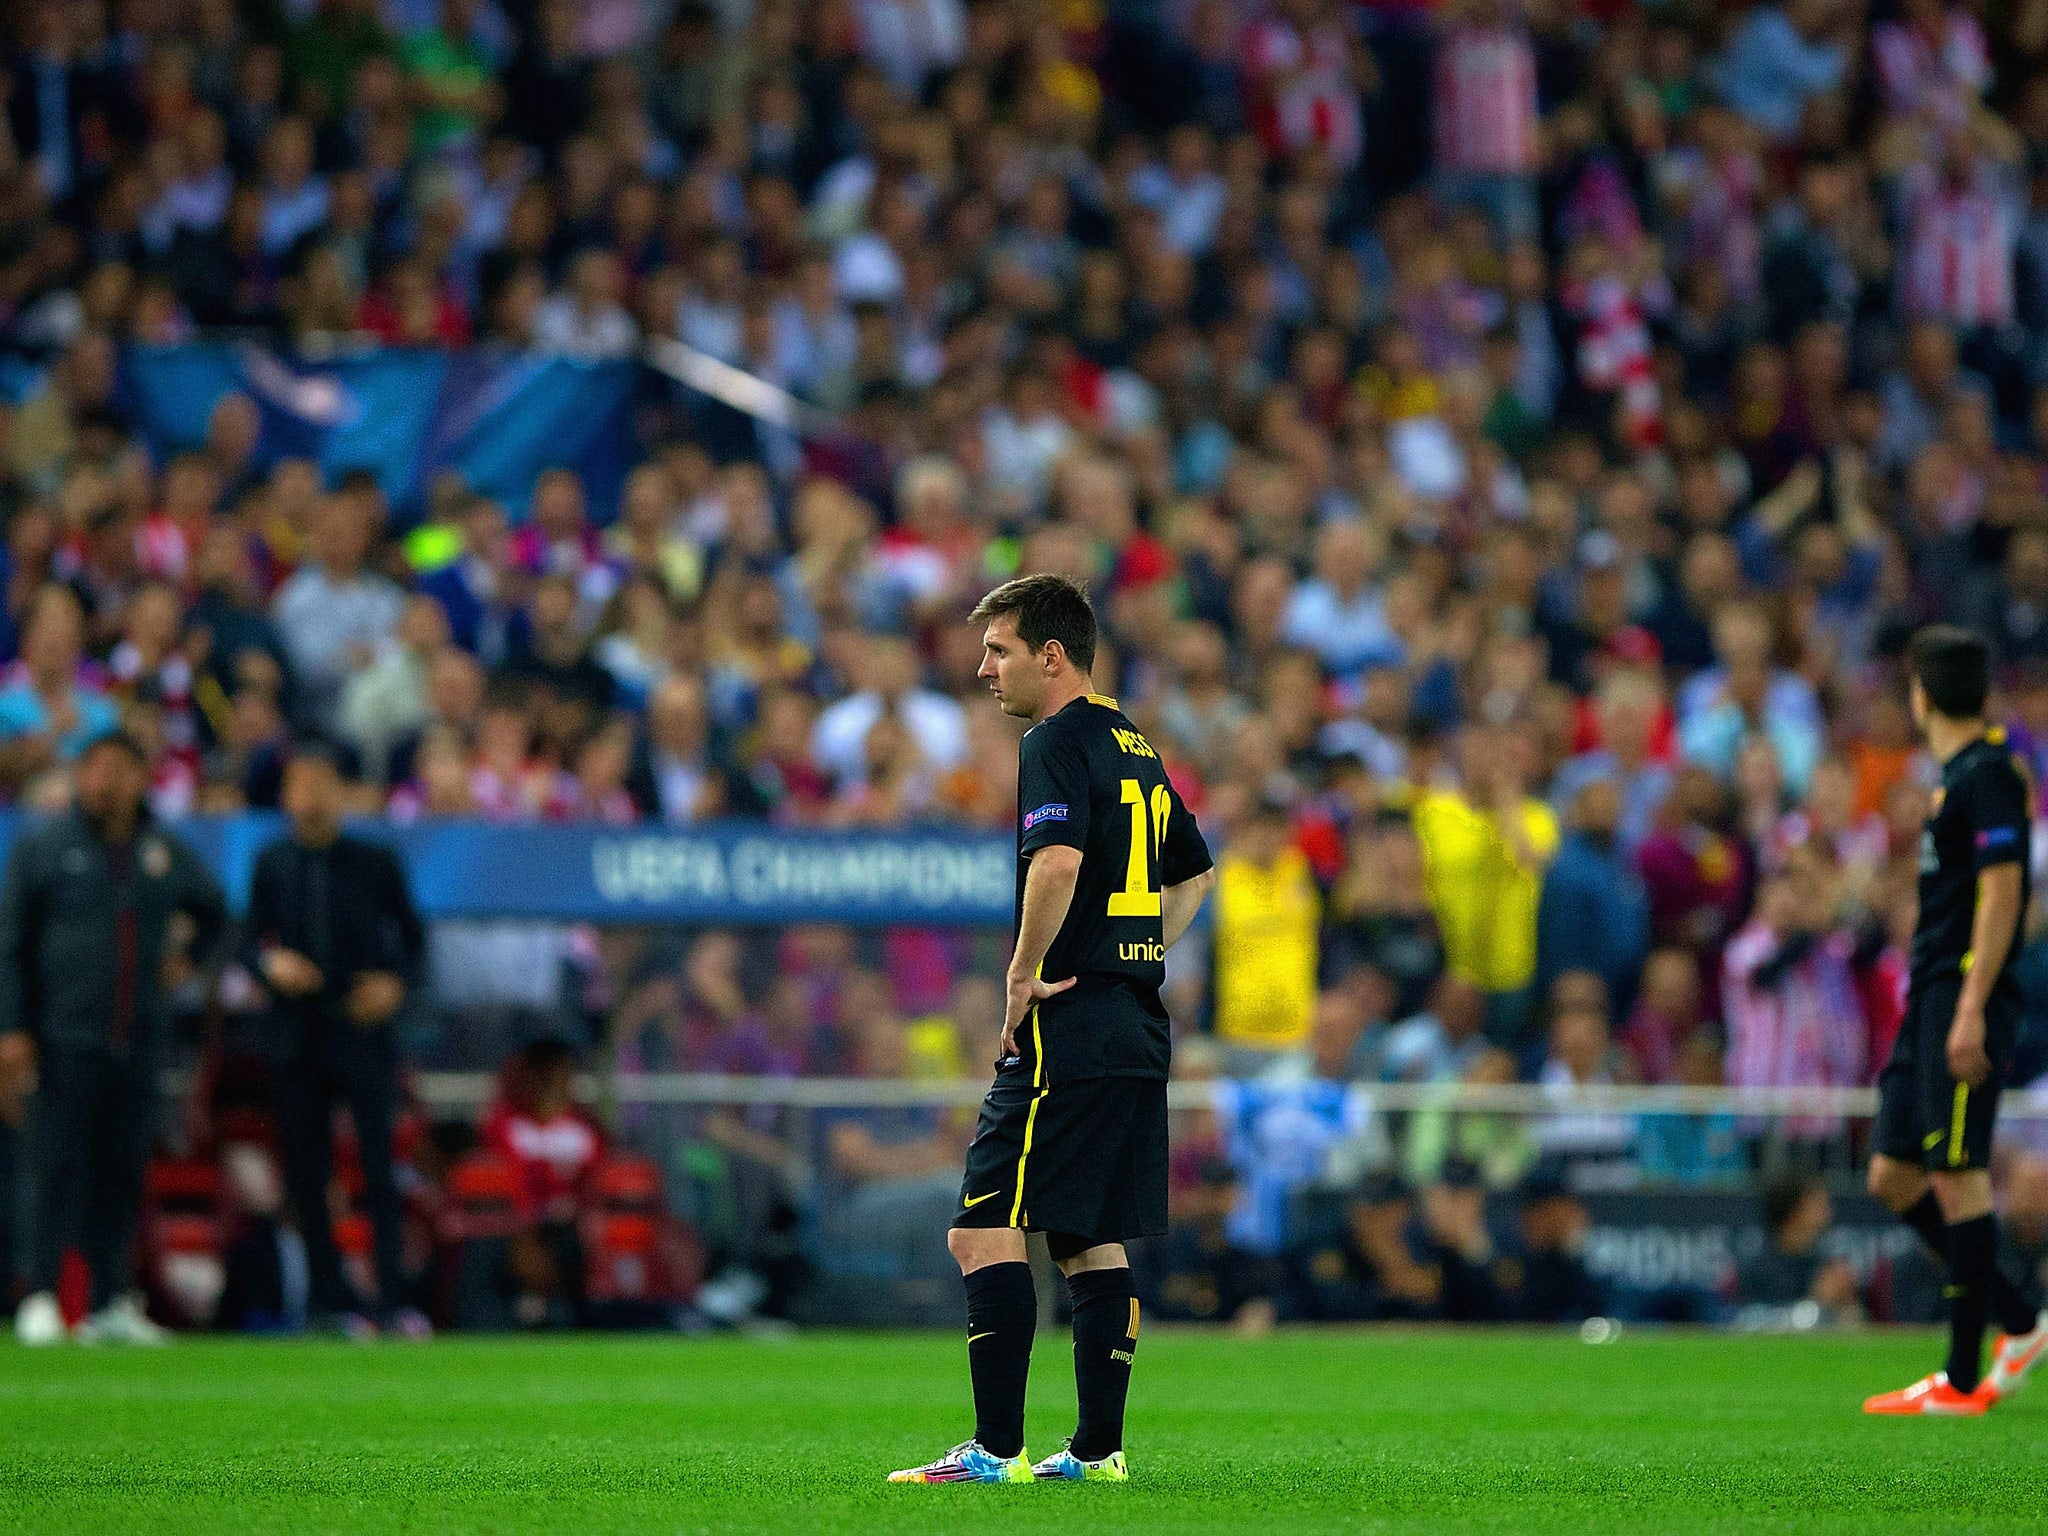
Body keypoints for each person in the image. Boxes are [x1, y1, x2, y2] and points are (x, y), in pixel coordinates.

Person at [891, 574, 1214, 1486]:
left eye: (998, 650)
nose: (983, 668)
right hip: (1135, 1022)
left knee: (982, 1226)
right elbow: (1193, 876)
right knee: (1084, 1231)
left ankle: (995, 1453)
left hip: (1067, 1019)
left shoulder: (1057, 739)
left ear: (1051, 656)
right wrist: (1135, 949)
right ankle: (1099, 1453)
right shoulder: (1134, 743)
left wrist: (1023, 973)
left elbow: (1060, 860)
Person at [1863, 628, 2048, 1414]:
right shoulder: (1958, 780)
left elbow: (2004, 894)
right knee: (1893, 1174)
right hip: (1929, 991)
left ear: (1922, 695)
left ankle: (1963, 1377)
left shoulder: (1990, 777)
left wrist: (1971, 1004)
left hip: (1962, 993)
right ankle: (2018, 1318)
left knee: (1957, 1170)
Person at [3, 731, 227, 1345]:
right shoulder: (45, 848)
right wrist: (12, 1030)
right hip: (60, 1035)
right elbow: (11, 946)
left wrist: (185, 961)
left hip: (137, 1037)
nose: (103, 780)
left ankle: (109, 1300)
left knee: (122, 1170)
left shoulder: (159, 849)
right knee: (53, 1166)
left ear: (139, 776)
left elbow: (215, 913)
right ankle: (42, 1294)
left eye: (116, 769)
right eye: (93, 768)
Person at [245, 742, 428, 1337]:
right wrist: (272, 967)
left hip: (362, 1029)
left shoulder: (373, 861)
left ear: (341, 792)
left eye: (322, 783)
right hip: (297, 1033)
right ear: (286, 795)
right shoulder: (272, 862)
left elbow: (413, 940)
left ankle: (392, 1298)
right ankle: (327, 1301)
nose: (311, 796)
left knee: (379, 1166)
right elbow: (248, 942)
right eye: (300, 784)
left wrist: (394, 985)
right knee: (307, 1170)